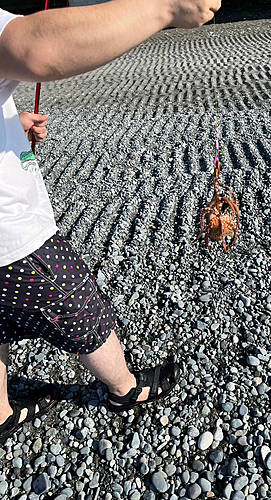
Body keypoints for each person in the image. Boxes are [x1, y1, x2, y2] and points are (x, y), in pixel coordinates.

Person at [0, 0, 221, 443]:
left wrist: (11, 122)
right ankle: (125, 389)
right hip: (11, 239)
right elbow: (35, 49)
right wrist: (166, 8)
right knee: (82, 307)